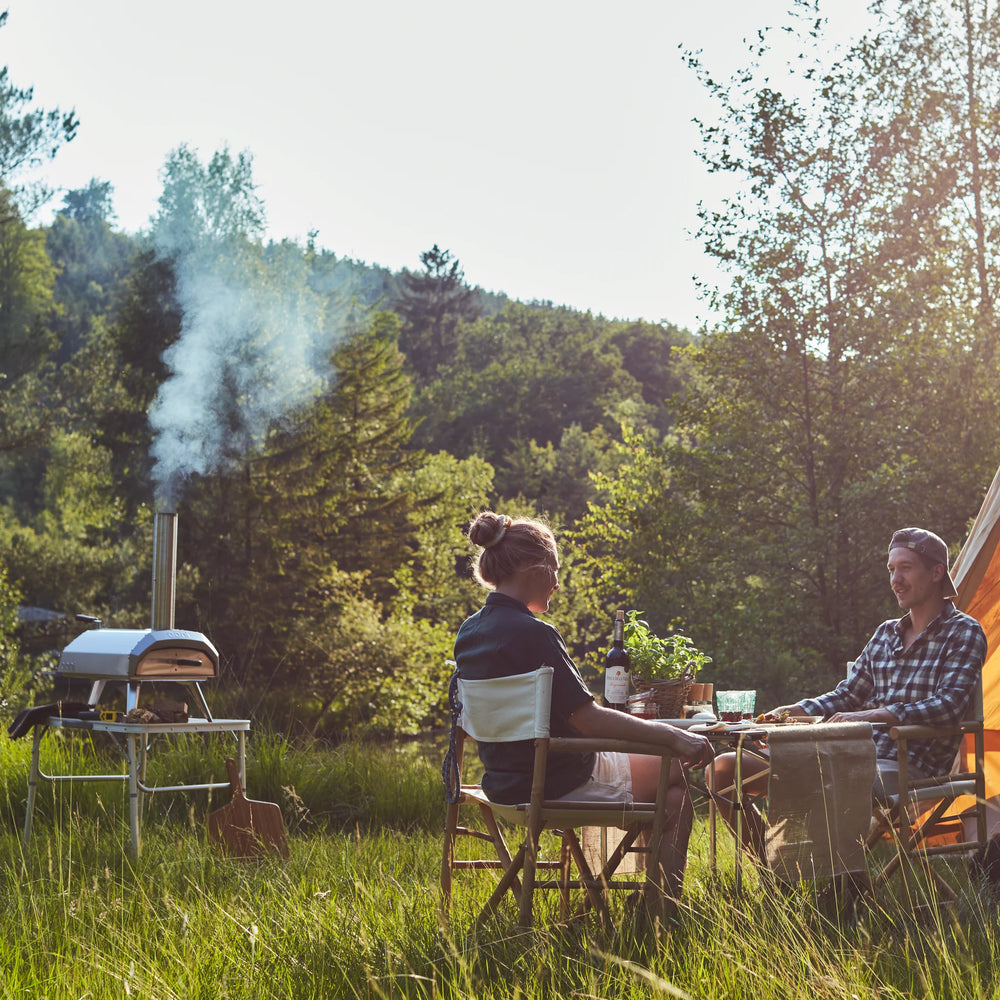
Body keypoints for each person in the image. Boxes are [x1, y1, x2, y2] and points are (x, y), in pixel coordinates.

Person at [453, 510, 715, 915]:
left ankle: (623, 891)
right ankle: (660, 912)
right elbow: (588, 719)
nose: (557, 582)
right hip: (556, 781)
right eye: (554, 570)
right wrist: (674, 736)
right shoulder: (535, 633)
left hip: (503, 786)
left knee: (653, 775)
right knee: (673, 780)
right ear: (532, 568)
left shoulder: (469, 632)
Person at [711, 526, 988, 859]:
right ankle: (771, 871)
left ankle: (843, 892)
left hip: (909, 767)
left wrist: (873, 716)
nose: (895, 579)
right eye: (891, 569)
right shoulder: (886, 633)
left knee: (831, 778)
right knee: (724, 769)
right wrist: (793, 711)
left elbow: (948, 706)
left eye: (905, 567)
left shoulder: (965, 632)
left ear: (936, 572)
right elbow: (846, 696)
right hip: (847, 753)